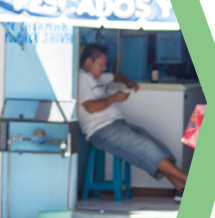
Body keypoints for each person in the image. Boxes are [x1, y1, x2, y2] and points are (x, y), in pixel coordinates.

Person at [78, 44, 187, 202]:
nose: (104, 68)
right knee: (147, 148)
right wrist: (114, 97)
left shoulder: (97, 77)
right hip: (101, 130)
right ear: (88, 62)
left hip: (117, 125)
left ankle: (180, 189)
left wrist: (128, 82)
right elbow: (91, 107)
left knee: (155, 144)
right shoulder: (81, 78)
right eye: (101, 64)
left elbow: (116, 76)